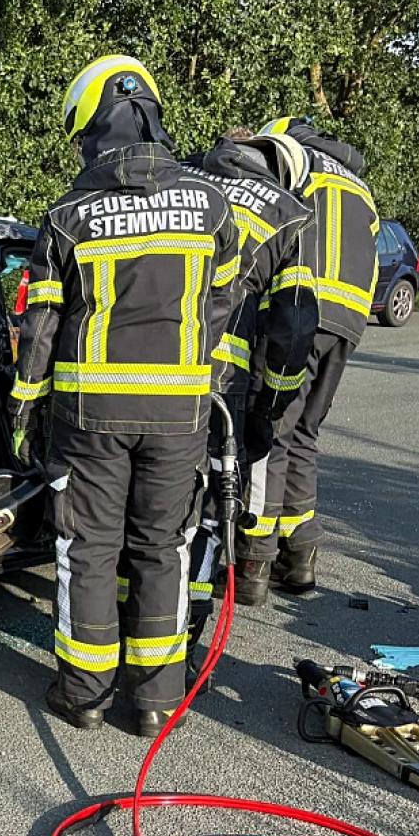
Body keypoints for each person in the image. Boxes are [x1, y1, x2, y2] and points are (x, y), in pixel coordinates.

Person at [9, 54, 241, 735]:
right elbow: (223, 309)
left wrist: (23, 407)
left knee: (87, 549)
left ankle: (82, 696)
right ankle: (156, 702)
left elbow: (40, 327)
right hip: (180, 417)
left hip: (89, 420)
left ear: (91, 127)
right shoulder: (211, 204)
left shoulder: (70, 216)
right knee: (162, 549)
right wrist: (208, 385)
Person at [179, 128, 319, 676]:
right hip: (219, 386)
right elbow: (291, 330)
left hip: (138, 371)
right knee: (208, 517)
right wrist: (270, 411)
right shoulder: (286, 215)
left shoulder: (177, 181)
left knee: (141, 505)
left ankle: (123, 628)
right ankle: (179, 653)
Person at [234, 117, 379, 604]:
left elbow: (271, 222)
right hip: (350, 322)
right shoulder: (360, 187)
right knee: (304, 434)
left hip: (300, 309)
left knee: (268, 428)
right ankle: (301, 556)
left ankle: (255, 559)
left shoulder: (296, 164)